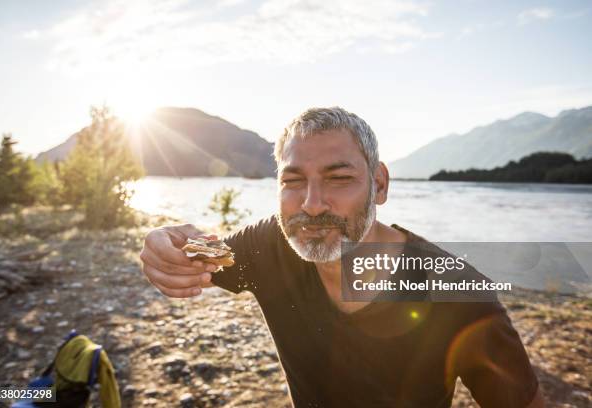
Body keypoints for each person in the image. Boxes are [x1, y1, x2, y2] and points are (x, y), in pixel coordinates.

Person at [140, 107, 544, 407]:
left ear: (379, 185)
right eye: (293, 181)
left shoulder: (458, 291)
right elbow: (195, 255)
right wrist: (164, 242)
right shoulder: (270, 244)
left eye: (339, 178)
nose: (312, 205)